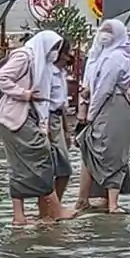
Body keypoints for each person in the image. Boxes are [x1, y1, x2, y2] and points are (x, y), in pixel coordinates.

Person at [0, 30, 76, 225]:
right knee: (42, 157)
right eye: (54, 47)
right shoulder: (25, 57)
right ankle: (54, 210)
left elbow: (45, 101)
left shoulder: (42, 63)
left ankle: (19, 217)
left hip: (26, 117)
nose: (55, 52)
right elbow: (1, 78)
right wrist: (24, 93)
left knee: (20, 165)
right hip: (14, 117)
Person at [76, 19, 130, 214]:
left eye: (109, 31)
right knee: (94, 150)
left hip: (113, 109)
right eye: (103, 30)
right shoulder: (105, 55)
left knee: (109, 152)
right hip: (114, 110)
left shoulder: (115, 58)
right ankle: (90, 199)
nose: (105, 34)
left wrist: (90, 114)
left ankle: (110, 203)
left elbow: (103, 90)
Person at [49, 46, 75, 201]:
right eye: (68, 52)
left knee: (63, 169)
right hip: (49, 121)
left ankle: (55, 204)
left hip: (58, 120)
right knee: (58, 168)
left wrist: (67, 130)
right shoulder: (48, 73)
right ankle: (50, 207)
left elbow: (63, 105)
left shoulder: (61, 74)